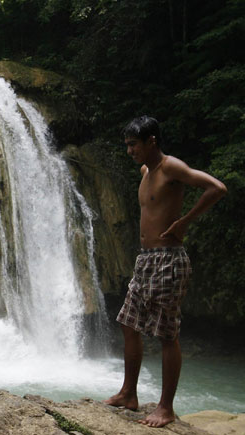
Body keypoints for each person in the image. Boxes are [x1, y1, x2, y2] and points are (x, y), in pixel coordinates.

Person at [104, 116, 227, 427]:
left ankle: (165, 408)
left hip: (169, 259)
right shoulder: (146, 172)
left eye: (134, 145)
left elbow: (216, 187)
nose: (129, 151)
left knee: (166, 334)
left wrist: (184, 222)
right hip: (145, 259)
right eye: (128, 145)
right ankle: (128, 394)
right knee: (128, 323)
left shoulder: (171, 167)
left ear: (152, 142)